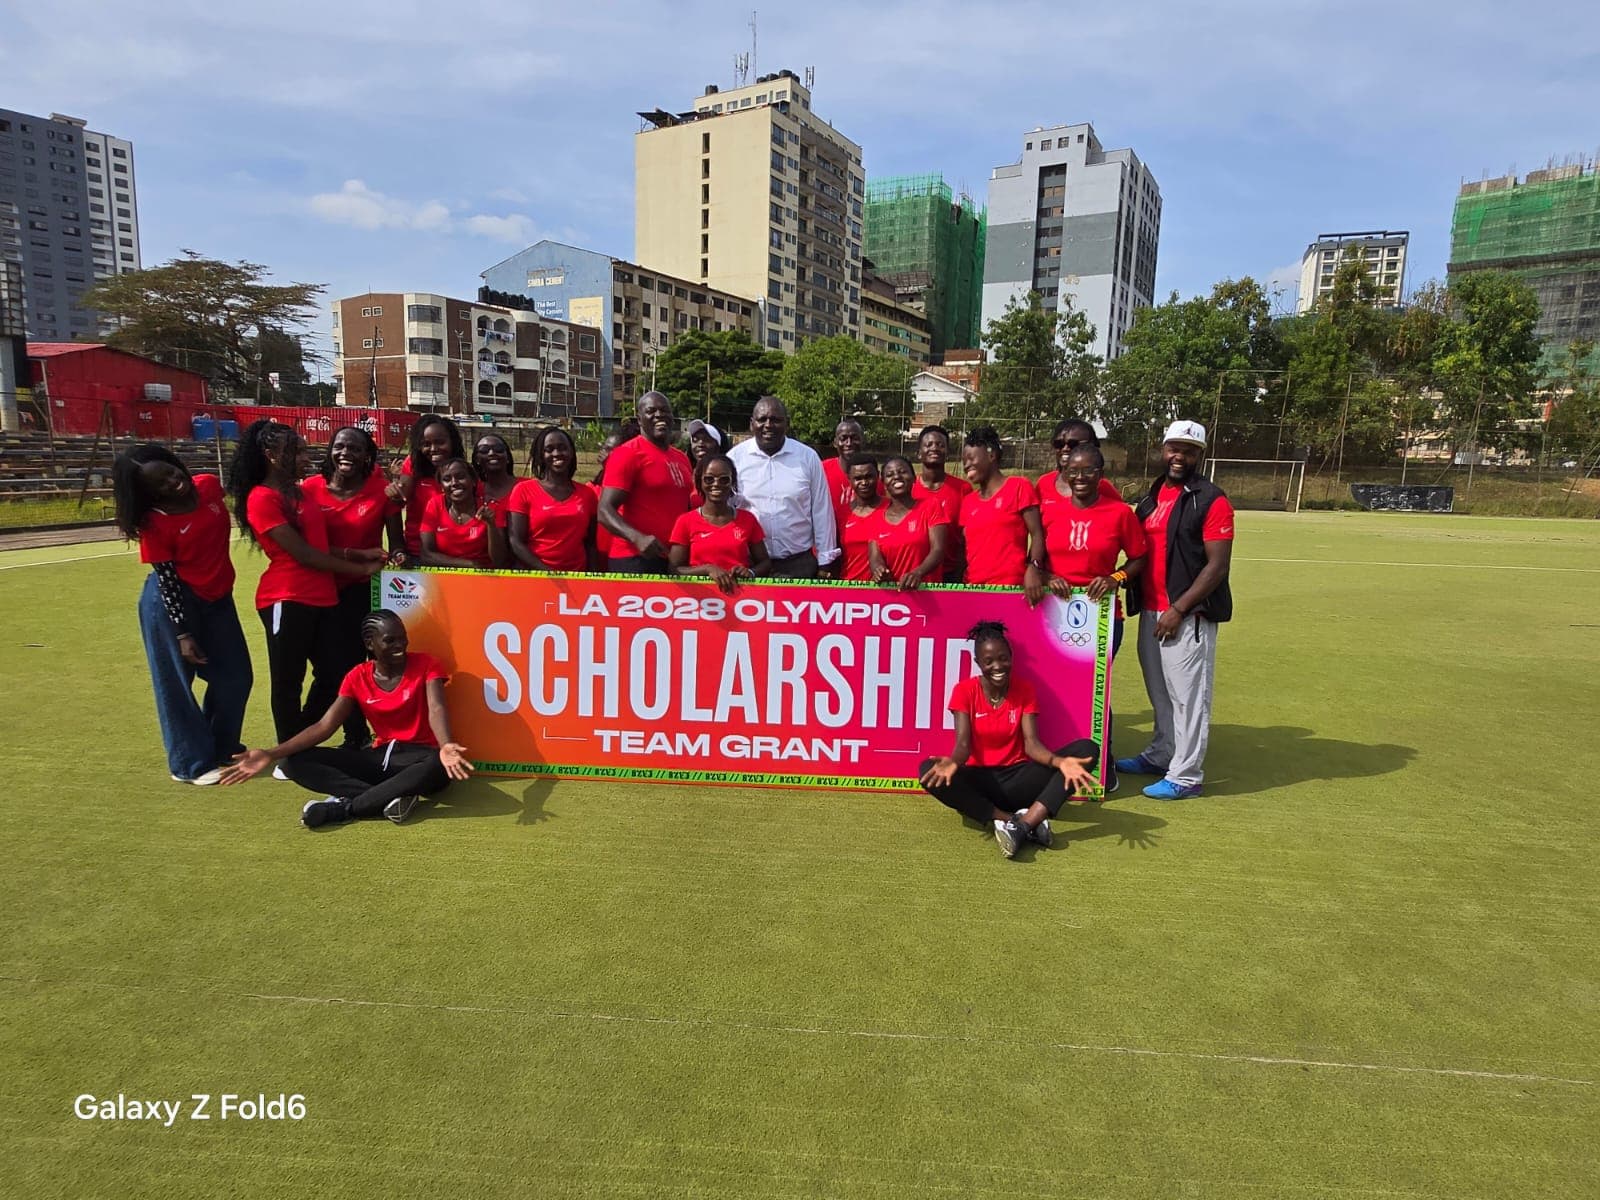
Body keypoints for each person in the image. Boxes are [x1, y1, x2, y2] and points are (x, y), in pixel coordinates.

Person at [221, 610, 472, 828]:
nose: (400, 645)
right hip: (379, 759)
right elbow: (324, 726)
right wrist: (271, 754)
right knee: (293, 764)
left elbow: (436, 708)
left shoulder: (427, 665)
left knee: (437, 764)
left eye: (402, 637)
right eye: (390, 640)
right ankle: (387, 798)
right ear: (370, 643)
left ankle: (345, 809)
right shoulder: (357, 676)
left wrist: (446, 744)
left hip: (418, 759)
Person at [228, 419, 384, 748]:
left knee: (335, 674)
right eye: (296, 451)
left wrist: (358, 553)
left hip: (322, 598)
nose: (305, 456)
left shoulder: (298, 492)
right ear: (271, 455)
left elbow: (317, 545)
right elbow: (304, 555)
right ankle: (290, 751)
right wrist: (359, 570)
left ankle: (299, 739)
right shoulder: (262, 498)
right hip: (287, 597)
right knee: (288, 681)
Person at [113, 443, 253, 786]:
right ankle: (188, 763)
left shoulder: (206, 485)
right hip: (173, 605)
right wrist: (182, 634)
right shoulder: (154, 524)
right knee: (176, 683)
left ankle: (222, 747)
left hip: (219, 597)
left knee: (236, 677)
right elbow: (167, 579)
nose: (175, 482)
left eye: (172, 472)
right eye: (161, 483)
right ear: (147, 493)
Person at [1115, 420, 1235, 801]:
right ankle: (1162, 754)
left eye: (1188, 450)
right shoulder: (1151, 498)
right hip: (1150, 610)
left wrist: (1180, 608)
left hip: (1186, 615)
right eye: (1173, 448)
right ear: (1163, 449)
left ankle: (1186, 775)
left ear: (1199, 455)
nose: (1178, 456)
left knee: (1188, 697)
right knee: (1160, 693)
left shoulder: (1211, 499)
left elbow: (1217, 566)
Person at [918, 621, 1100, 859]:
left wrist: (1060, 763)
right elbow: (963, 743)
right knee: (927, 771)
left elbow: (1032, 744)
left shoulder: (1024, 689)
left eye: (1003, 658)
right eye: (988, 661)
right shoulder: (964, 691)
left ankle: (1024, 826)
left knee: (1087, 749)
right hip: (982, 782)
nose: (997, 666)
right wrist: (953, 762)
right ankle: (1010, 820)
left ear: (1012, 657)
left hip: (1020, 779)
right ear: (978, 664)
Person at [1037, 443, 1147, 792]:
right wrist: (1046, 577)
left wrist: (1115, 578)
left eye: (1089, 471)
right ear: (1065, 474)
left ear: (1101, 474)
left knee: (1094, 690)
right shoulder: (1051, 511)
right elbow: (1035, 561)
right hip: (1054, 616)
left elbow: (1138, 558)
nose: (1080, 477)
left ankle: (1103, 761)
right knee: (1055, 687)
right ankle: (1059, 759)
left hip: (1101, 617)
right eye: (1074, 471)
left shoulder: (1119, 514)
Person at [303, 425, 404, 748]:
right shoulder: (309, 489)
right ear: (331, 450)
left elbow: (397, 543)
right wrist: (354, 555)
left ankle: (355, 735)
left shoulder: (382, 491)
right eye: (341, 446)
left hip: (361, 591)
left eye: (356, 449)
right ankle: (307, 732)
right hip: (317, 589)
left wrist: (399, 556)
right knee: (330, 668)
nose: (347, 453)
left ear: (367, 457)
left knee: (357, 663)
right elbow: (304, 547)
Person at [727, 395, 839, 579]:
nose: (768, 425)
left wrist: (825, 562)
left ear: (787, 424)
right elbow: (727, 509)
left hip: (798, 565)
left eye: (776, 420)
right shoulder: (734, 459)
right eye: (762, 419)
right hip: (749, 564)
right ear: (751, 424)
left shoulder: (808, 458)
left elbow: (821, 511)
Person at [598, 391, 694, 574]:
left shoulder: (681, 458)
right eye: (651, 411)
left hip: (673, 560)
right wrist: (637, 538)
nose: (659, 415)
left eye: (665, 410)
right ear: (640, 419)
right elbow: (604, 510)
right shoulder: (627, 454)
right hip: (634, 560)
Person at [957, 425, 1048, 594]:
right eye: (964, 462)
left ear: (991, 455)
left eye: (971, 458)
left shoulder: (1019, 487)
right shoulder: (968, 501)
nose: (967, 465)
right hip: (974, 589)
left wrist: (1034, 567)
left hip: (1010, 589)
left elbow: (1037, 535)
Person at [668, 454, 770, 593]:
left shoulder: (748, 519)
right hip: (698, 600)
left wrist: (750, 572)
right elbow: (674, 570)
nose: (716, 484)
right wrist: (707, 569)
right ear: (700, 482)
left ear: (732, 483)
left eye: (724, 479)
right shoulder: (685, 521)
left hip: (741, 600)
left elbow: (765, 562)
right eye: (709, 479)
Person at [507, 425, 597, 572]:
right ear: (541, 455)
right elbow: (516, 541)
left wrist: (593, 579)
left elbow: (591, 544)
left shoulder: (587, 494)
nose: (557, 453)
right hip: (537, 576)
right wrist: (548, 572)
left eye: (562, 448)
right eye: (549, 449)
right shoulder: (523, 490)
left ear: (571, 452)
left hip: (577, 578)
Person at [871, 454, 950, 589]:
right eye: (890, 474)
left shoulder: (931, 506)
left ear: (914, 478)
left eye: (902, 472)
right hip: (892, 599)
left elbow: (938, 550)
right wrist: (879, 570)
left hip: (928, 594)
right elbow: (874, 557)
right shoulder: (876, 517)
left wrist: (918, 573)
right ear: (883, 483)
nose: (897, 476)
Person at [392, 414, 465, 560]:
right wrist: (394, 490)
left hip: (457, 552)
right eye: (426, 444)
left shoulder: (462, 470)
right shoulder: (414, 465)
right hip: (418, 552)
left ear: (452, 442)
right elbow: (400, 498)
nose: (433, 449)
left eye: (440, 442)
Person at [420, 457, 507, 569]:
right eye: (447, 479)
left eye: (460, 477)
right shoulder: (435, 504)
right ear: (441, 487)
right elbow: (426, 555)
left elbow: (499, 560)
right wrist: (468, 565)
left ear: (474, 481)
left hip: (485, 578)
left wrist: (491, 525)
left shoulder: (490, 506)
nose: (454, 483)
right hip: (445, 577)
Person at [911, 424, 971, 582]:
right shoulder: (908, 489)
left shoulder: (963, 489)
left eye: (940, 445)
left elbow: (967, 536)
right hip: (915, 574)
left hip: (952, 573)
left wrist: (961, 571)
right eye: (928, 444)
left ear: (948, 454)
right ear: (919, 453)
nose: (934, 448)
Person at [589, 420, 639, 565]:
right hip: (596, 560)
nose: (603, 453)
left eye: (610, 449)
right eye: (604, 448)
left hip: (620, 559)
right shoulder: (592, 489)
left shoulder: (627, 493)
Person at [1040, 419, 1123, 505]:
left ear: (1091, 446)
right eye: (1059, 444)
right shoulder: (1044, 484)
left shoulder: (1102, 487)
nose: (1065, 449)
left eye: (1073, 444)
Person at [837, 453, 884, 583]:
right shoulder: (840, 514)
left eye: (869, 477)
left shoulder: (892, 509)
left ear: (878, 475)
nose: (864, 483)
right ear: (849, 479)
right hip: (849, 589)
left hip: (886, 589)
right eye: (858, 478)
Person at [471, 432, 519, 529]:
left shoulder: (528, 486)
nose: (492, 453)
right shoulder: (472, 490)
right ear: (477, 459)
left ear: (508, 457)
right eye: (484, 450)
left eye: (499, 449)